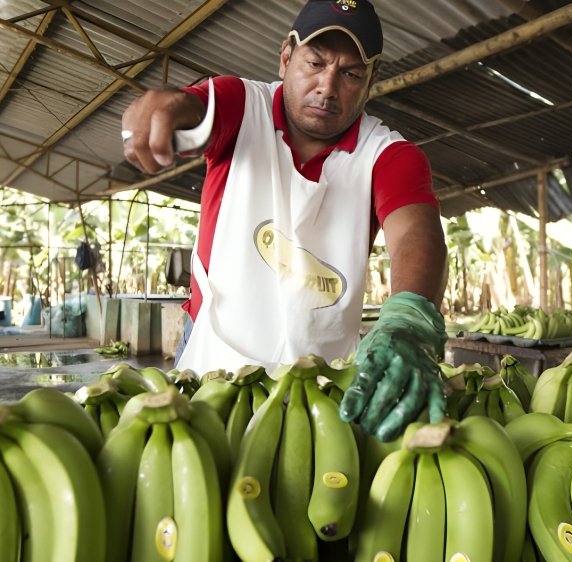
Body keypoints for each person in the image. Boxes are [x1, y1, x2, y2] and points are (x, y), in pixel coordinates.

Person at [121, 0, 447, 442]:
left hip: (323, 387)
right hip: (212, 364)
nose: (327, 87)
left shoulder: (388, 155)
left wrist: (409, 316)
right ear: (285, 57)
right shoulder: (242, 106)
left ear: (371, 80)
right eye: (314, 63)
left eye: (350, 73)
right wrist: (163, 107)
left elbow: (415, 232)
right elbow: (194, 106)